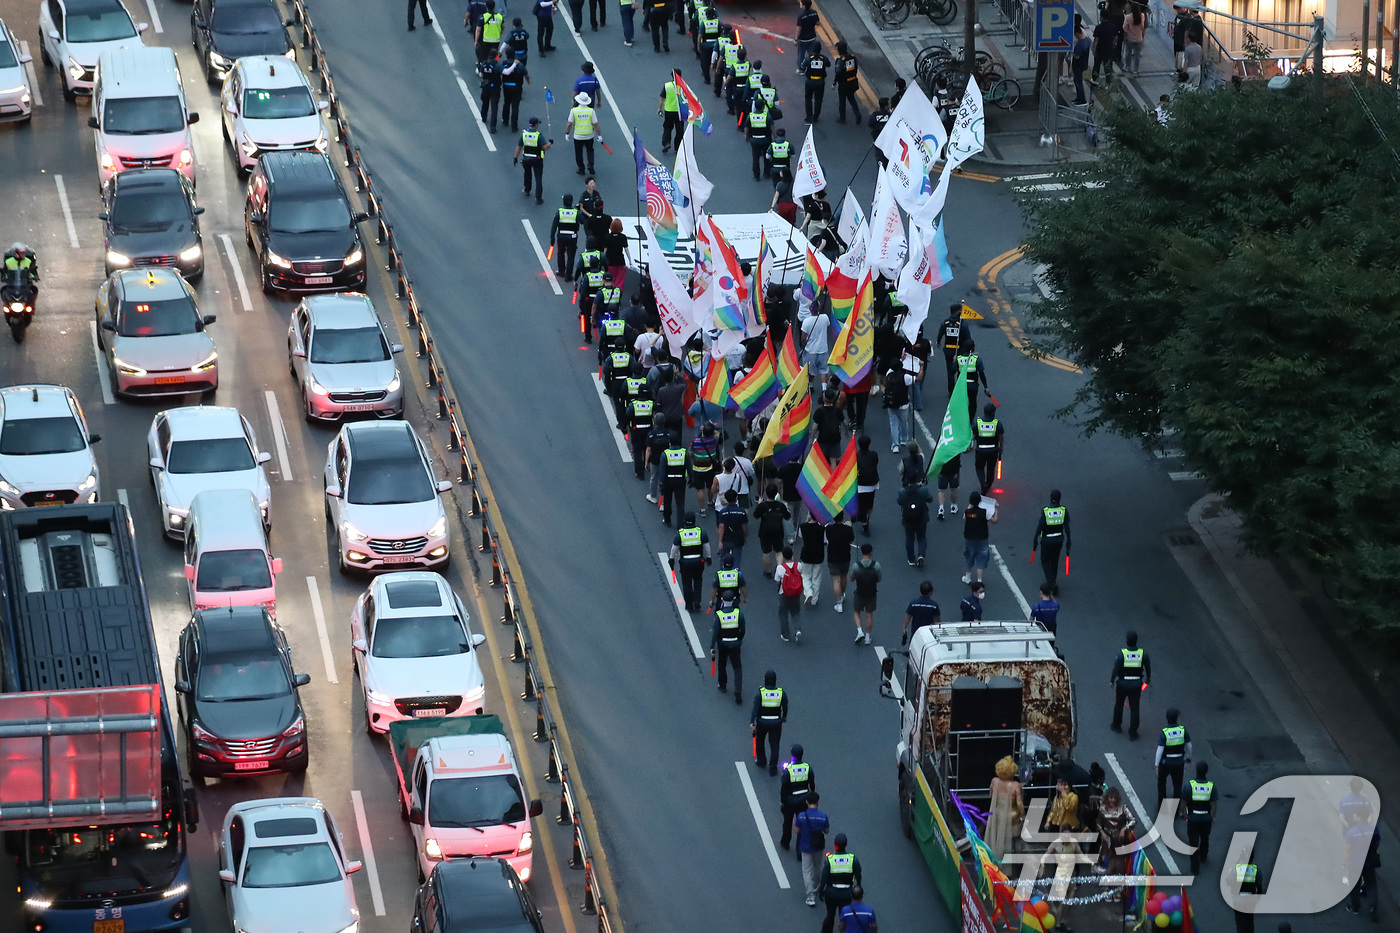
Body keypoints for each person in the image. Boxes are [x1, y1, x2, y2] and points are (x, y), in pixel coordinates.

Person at [1110, 630, 1150, 738]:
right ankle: (1133, 732)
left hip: (1122, 683)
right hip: (1136, 684)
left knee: (1119, 704)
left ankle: (1116, 725)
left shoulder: (1122, 653)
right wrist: (1147, 679)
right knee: (1135, 708)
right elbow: (1148, 668)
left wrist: (1112, 680)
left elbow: (1116, 668)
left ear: (1127, 641)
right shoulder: (1143, 654)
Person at [669, 511, 711, 611]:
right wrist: (708, 557)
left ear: (684, 521)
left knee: (686, 583)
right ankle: (697, 601)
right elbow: (707, 546)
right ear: (694, 521)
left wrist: (671, 559)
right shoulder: (701, 532)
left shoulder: (680, 533)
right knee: (698, 580)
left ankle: (689, 604)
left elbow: (674, 548)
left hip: (685, 562)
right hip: (698, 561)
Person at [818, 833, 860, 933]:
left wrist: (821, 890)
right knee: (844, 916)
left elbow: (824, 877)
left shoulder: (830, 860)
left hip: (831, 893)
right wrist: (859, 885)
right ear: (846, 844)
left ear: (835, 845)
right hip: (846, 893)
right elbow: (858, 874)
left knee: (830, 915)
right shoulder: (853, 859)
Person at [793, 793, 830, 907]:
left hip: (805, 846)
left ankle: (810, 896)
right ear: (817, 802)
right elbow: (826, 831)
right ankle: (818, 886)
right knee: (818, 867)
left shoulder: (801, 816)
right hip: (818, 846)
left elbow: (796, 831)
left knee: (807, 870)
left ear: (806, 802)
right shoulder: (823, 816)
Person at [1181, 760, 1217, 874]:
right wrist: (1213, 817)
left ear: (1196, 771)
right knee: (1205, 837)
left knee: (1193, 842)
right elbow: (1213, 804)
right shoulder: (1211, 787)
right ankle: (1203, 856)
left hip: (1193, 819)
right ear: (1206, 772)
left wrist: (1183, 813)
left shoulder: (1189, 786)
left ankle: (1195, 868)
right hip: (1206, 819)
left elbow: (1184, 802)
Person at [987, 756, 1025, 861]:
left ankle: (999, 860)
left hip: (998, 815)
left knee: (1001, 840)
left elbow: (991, 795)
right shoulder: (1015, 785)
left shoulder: (994, 781)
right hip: (1012, 817)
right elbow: (1020, 804)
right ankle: (1018, 863)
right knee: (1016, 840)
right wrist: (1023, 816)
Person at [779, 744, 815, 849]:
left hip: (790, 801)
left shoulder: (788, 770)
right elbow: (812, 783)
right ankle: (800, 848)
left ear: (792, 755)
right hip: (804, 801)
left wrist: (783, 802)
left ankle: (785, 843)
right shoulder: (807, 768)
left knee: (787, 822)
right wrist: (812, 795)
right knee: (802, 824)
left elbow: (784, 788)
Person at [1032, 489, 1071, 586]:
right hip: (1059, 540)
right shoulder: (1063, 511)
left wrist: (1035, 538)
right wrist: (1068, 540)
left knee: (1044, 561)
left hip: (1046, 540)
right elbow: (1067, 528)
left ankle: (1051, 582)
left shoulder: (1046, 511)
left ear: (1050, 498)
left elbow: (1040, 526)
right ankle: (1053, 579)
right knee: (1055, 560)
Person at [751, 669, 788, 770]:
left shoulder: (761, 693)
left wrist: (752, 722)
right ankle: (773, 766)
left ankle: (761, 761)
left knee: (760, 741)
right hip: (776, 722)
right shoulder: (781, 693)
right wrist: (784, 717)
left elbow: (755, 708)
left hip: (762, 722)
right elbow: (785, 706)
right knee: (775, 744)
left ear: (765, 680)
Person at [1155, 707, 1191, 812]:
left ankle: (1162, 807)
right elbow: (1189, 746)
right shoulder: (1183, 731)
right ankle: (1176, 808)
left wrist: (1156, 765)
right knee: (1177, 785)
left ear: (1166, 718)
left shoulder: (1164, 733)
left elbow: (1159, 750)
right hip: (1179, 762)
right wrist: (1189, 756)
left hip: (1165, 763)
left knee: (1162, 784)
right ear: (1177, 718)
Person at [710, 597, 745, 702]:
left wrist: (712, 646)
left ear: (722, 600)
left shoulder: (719, 615)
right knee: (737, 667)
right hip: (735, 643)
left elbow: (715, 633)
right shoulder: (738, 613)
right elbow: (743, 629)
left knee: (722, 664)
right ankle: (738, 689)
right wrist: (739, 640)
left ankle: (722, 685)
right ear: (733, 600)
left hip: (723, 643)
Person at [754, 483, 791, 578]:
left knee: (766, 552)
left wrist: (759, 504)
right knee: (779, 551)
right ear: (776, 494)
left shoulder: (762, 506)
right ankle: (779, 569)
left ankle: (768, 571)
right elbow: (787, 517)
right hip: (778, 531)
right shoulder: (781, 505)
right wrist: (786, 508)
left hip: (765, 531)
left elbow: (755, 516)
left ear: (766, 493)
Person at [512, 116, 551, 203]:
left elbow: (519, 147)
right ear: (536, 125)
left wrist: (515, 157)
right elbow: (544, 147)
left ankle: (527, 190)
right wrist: (549, 143)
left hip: (526, 158)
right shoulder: (539, 136)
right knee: (538, 177)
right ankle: (538, 197)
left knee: (527, 174)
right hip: (537, 159)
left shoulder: (524, 134)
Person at [961, 491, 996, 585]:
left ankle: (967, 577)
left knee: (969, 556)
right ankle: (979, 580)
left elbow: (966, 515)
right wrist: (996, 508)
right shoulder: (985, 512)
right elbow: (995, 520)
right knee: (981, 558)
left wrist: (970, 504)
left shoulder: (967, 513)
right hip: (982, 538)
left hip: (969, 538)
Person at [849, 543, 881, 645]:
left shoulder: (856, 566)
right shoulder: (876, 565)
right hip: (872, 593)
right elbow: (879, 579)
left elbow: (852, 579)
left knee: (856, 611)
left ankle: (859, 631)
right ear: (871, 552)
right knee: (869, 615)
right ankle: (867, 636)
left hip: (860, 593)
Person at [897, 478, 932, 568]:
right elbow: (930, 499)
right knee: (921, 537)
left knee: (909, 538)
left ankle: (911, 558)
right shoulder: (923, 490)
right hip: (921, 518)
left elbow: (899, 502)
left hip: (908, 519)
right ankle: (921, 555)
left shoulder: (902, 492)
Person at [826, 511, 855, 612]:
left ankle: (839, 603)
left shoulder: (829, 529)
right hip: (845, 556)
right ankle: (842, 594)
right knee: (843, 577)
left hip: (833, 557)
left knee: (835, 580)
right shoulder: (847, 529)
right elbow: (851, 539)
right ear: (842, 517)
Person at [689, 422, 721, 513]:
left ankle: (702, 509)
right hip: (710, 467)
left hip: (697, 468)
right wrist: (711, 428)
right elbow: (717, 433)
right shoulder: (714, 440)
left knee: (700, 489)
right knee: (710, 486)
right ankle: (710, 502)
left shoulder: (695, 441)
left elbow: (690, 453)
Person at [882, 357, 913, 453]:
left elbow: (891, 368)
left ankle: (895, 445)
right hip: (903, 404)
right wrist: (921, 368)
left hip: (891, 403)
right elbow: (918, 379)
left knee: (893, 424)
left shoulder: (888, 375)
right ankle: (904, 439)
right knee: (904, 422)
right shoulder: (905, 377)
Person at [566, 93, 601, 175]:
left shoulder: (574, 111)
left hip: (578, 136)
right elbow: (596, 124)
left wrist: (567, 133)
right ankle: (590, 164)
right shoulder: (591, 111)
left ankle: (581, 168)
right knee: (590, 150)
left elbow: (569, 123)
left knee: (578, 152)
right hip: (589, 135)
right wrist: (599, 135)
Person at [659, 432, 690, 526]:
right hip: (680, 480)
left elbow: (662, 471)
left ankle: (667, 519)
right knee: (680, 503)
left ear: (669, 442)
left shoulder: (665, 454)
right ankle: (680, 524)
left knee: (667, 500)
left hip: (668, 481)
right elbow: (689, 467)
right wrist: (692, 478)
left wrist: (661, 483)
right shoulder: (684, 453)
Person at [972, 402, 1003, 493]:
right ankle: (988, 484)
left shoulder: (977, 423)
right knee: (991, 468)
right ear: (993, 413)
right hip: (993, 451)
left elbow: (973, 436)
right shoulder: (997, 423)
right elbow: (1001, 437)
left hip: (980, 450)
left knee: (979, 467)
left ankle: (983, 483)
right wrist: (1001, 448)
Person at [955, 337, 988, 421]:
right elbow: (981, 374)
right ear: (973, 348)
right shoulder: (976, 360)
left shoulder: (959, 359)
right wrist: (985, 386)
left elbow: (952, 372)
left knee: (962, 402)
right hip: (973, 385)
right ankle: (970, 419)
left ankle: (962, 418)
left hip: (961, 385)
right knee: (973, 403)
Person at [775, 546, 804, 641]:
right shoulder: (798, 565)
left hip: (784, 594)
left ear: (783, 556)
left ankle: (786, 635)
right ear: (792, 555)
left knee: (783, 614)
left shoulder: (780, 568)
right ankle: (798, 629)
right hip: (796, 593)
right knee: (795, 612)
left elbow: (777, 580)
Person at [797, 513, 826, 606]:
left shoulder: (802, 526)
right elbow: (825, 542)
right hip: (818, 555)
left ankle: (808, 592)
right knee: (816, 578)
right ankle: (814, 599)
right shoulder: (822, 529)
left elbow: (801, 536)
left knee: (805, 576)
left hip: (806, 554)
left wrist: (806, 519)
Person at [715, 490, 749, 568]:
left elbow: (721, 527)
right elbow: (745, 526)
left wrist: (720, 542)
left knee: (723, 557)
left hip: (726, 538)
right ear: (736, 498)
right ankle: (736, 575)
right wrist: (745, 537)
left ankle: (722, 574)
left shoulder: (723, 512)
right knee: (737, 559)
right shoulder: (742, 512)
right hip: (738, 538)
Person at [744, 92, 773, 181]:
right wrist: (775, 137)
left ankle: (756, 175)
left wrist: (746, 136)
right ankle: (766, 173)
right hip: (766, 139)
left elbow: (746, 127)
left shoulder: (751, 116)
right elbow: (772, 127)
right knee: (766, 156)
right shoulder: (767, 116)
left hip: (754, 140)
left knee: (755, 157)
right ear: (763, 107)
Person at [549, 194, 579, 278]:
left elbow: (554, 226)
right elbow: (582, 221)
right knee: (571, 256)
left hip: (561, 236)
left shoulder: (559, 212)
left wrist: (552, 238)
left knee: (560, 253)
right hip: (572, 237)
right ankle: (568, 275)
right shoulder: (576, 212)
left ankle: (561, 271)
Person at [903, 581, 940, 645]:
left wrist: (904, 627)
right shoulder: (934, 605)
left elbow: (908, 617)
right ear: (930, 592)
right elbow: (937, 619)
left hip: (916, 631)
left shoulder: (913, 603)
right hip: (928, 631)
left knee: (914, 646)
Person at [1230, 855, 1261, 933]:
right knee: (1249, 920)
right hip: (1251, 900)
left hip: (1238, 899)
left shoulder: (1236, 869)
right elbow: (1259, 886)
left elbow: (1228, 881)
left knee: (1240, 922)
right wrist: (1258, 898)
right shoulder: (1256, 869)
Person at [855, 436, 879, 535]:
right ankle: (867, 519)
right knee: (870, 503)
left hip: (860, 484)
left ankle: (864, 522)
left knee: (861, 504)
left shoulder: (856, 455)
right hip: (872, 483)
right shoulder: (873, 455)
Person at [832, 40, 860, 123]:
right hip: (853, 81)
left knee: (842, 100)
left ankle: (842, 118)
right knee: (851, 98)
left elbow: (838, 72)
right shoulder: (852, 57)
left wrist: (834, 83)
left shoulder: (841, 60)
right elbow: (856, 68)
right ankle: (857, 114)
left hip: (844, 83)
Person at [939, 303, 964, 392]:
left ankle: (951, 390)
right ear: (957, 311)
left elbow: (940, 334)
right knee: (960, 371)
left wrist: (938, 342)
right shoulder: (962, 324)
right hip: (960, 351)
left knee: (950, 371)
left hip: (948, 350)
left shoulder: (945, 323)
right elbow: (967, 337)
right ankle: (959, 389)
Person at [500, 56, 529, 134]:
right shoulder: (520, 65)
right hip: (517, 88)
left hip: (506, 87)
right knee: (515, 106)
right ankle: (514, 126)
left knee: (506, 103)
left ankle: (505, 120)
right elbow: (526, 74)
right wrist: (528, 81)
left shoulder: (504, 63)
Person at [477, 52, 504, 133]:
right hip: (495, 88)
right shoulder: (497, 65)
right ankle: (493, 127)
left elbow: (481, 74)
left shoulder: (484, 63)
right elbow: (503, 72)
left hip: (485, 87)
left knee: (485, 102)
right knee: (494, 107)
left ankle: (484, 116)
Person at [802, 40, 828, 122]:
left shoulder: (809, 58)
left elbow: (802, 66)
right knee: (818, 99)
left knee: (808, 98)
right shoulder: (823, 58)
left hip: (810, 81)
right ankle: (816, 116)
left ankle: (809, 116)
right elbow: (829, 64)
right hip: (820, 81)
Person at [1091, 11, 1120, 84]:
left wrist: (1094, 49)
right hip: (1109, 49)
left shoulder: (1098, 27)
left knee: (1097, 65)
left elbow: (1096, 39)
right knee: (1108, 66)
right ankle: (1108, 80)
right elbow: (1116, 38)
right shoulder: (1113, 27)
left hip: (1099, 49)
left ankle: (1095, 79)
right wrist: (1114, 45)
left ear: (1101, 17)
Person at [659, 71, 683, 151]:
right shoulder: (683, 86)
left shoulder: (667, 85)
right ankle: (677, 148)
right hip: (679, 112)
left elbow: (662, 98)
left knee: (667, 128)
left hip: (669, 111)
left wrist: (659, 108)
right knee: (679, 130)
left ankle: (666, 143)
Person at [935, 451, 961, 520]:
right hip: (954, 470)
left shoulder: (942, 445)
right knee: (953, 488)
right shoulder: (956, 445)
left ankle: (941, 508)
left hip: (942, 470)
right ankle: (953, 506)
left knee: (941, 490)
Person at [1121, 2, 1145, 75]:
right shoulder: (1142, 15)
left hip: (1129, 38)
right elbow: (1142, 26)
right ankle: (1136, 70)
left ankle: (1127, 66)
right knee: (1137, 55)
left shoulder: (1128, 17)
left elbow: (1124, 28)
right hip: (1139, 39)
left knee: (1128, 52)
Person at [795, 0, 820, 67]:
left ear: (803, 5)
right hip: (812, 37)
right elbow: (818, 23)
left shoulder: (801, 16)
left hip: (803, 39)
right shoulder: (814, 13)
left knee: (801, 55)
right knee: (811, 54)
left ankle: (801, 69)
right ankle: (811, 67)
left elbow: (799, 28)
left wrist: (796, 39)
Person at [868, 98, 891, 165]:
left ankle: (880, 170)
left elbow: (870, 124)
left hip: (877, 139)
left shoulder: (875, 115)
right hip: (887, 139)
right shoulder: (890, 116)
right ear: (886, 106)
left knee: (879, 157)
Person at [1070, 25, 1091, 104]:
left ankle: (1082, 99)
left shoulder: (1079, 44)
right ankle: (1079, 97)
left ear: (1077, 33)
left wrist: (1072, 51)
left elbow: (1076, 56)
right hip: (1084, 63)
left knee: (1078, 82)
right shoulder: (1087, 40)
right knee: (1078, 81)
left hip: (1078, 65)